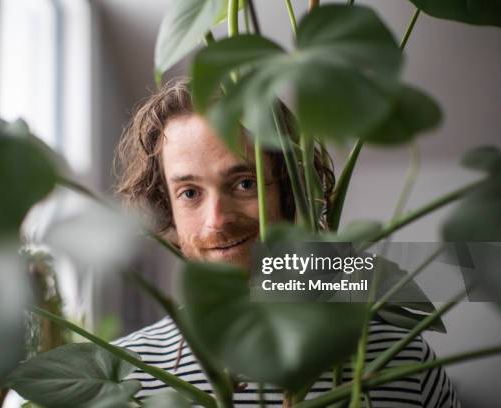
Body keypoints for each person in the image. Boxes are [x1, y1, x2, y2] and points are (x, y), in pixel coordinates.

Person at [112, 78, 460, 407]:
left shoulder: (398, 358)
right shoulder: (129, 375)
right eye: (189, 193)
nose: (217, 219)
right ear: (165, 208)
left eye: (245, 183)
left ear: (291, 192)